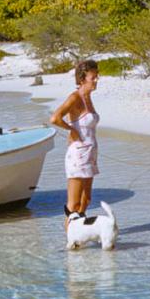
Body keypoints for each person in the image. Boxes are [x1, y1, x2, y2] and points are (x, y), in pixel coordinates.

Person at [50, 59, 100, 227]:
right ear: (82, 78)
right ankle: (71, 242)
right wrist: (71, 130)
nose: (96, 80)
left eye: (97, 76)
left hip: (90, 153)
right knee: (74, 205)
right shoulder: (75, 97)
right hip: (78, 154)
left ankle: (81, 235)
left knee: (86, 200)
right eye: (93, 77)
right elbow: (55, 118)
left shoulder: (88, 97)